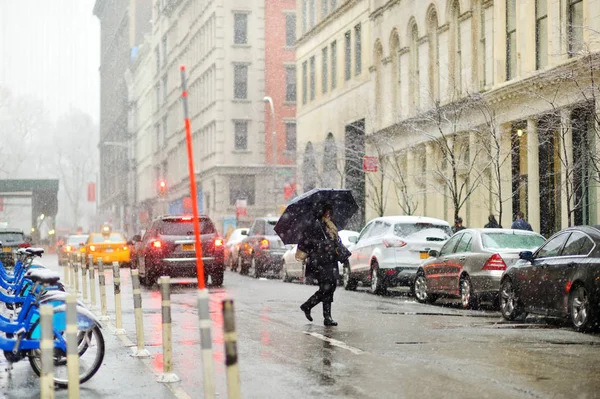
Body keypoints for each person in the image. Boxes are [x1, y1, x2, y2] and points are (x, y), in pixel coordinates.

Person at [297, 203, 341, 326]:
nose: (328, 214)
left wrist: (335, 244)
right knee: (326, 287)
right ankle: (326, 316)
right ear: (321, 212)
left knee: (331, 287)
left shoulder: (331, 224)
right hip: (320, 261)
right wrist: (322, 244)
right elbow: (306, 242)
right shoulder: (314, 225)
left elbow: (335, 240)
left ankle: (308, 306)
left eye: (329, 211)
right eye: (326, 211)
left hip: (331, 259)